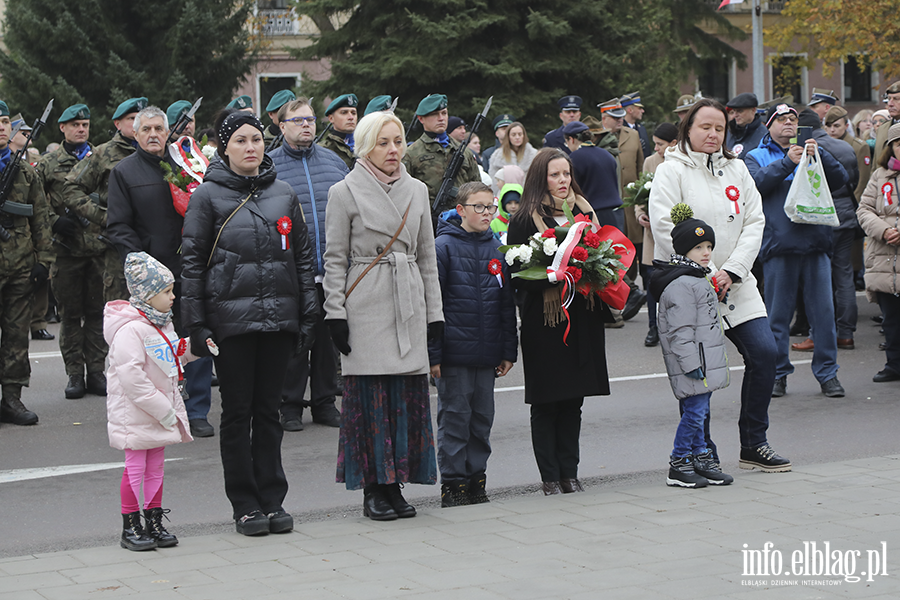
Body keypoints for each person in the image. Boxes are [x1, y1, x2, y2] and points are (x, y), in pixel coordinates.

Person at [181, 109, 319, 535]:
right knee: (238, 414)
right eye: (240, 140)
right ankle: (244, 503)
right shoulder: (208, 196)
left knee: (270, 412)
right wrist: (197, 326)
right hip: (232, 324)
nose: (250, 147)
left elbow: (302, 257)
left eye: (256, 139)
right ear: (224, 147)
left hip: (279, 320)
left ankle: (273, 498)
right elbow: (190, 264)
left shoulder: (283, 192)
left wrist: (308, 314)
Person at [650, 98, 790, 473]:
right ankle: (702, 451)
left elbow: (754, 222)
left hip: (736, 282)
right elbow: (666, 228)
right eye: (704, 127)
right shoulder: (671, 171)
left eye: (719, 129)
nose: (712, 135)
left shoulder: (736, 169)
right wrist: (707, 273)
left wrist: (732, 271)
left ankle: (753, 443)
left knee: (765, 354)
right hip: (691, 288)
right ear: (688, 129)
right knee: (699, 372)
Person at [323, 110, 443, 521]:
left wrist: (435, 315)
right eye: (383, 142)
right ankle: (374, 487)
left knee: (405, 399)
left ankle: (397, 483)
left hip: (406, 298)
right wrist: (334, 313)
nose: (393, 150)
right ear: (365, 146)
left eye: (397, 142)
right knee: (370, 400)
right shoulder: (344, 192)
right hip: (366, 303)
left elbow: (427, 257)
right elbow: (334, 259)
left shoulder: (418, 191)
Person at [106, 105, 216, 439]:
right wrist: (144, 265)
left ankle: (197, 409)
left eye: (159, 129)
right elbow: (118, 226)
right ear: (135, 134)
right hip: (152, 276)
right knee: (154, 345)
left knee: (193, 333)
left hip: (191, 267)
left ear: (168, 132)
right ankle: (160, 406)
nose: (154, 135)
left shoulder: (186, 165)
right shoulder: (124, 172)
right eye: (146, 130)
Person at [507, 148, 609, 495]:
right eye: (555, 175)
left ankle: (571, 472)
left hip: (582, 316)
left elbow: (604, 255)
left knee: (574, 400)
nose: (563, 181)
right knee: (547, 401)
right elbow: (517, 274)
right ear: (540, 178)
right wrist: (550, 276)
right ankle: (550, 477)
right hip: (546, 321)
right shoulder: (524, 219)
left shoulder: (584, 210)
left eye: (566, 174)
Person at [745, 102, 849, 399]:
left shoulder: (813, 150)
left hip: (816, 244)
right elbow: (753, 186)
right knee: (777, 318)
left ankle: (828, 374)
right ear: (769, 126)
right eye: (782, 120)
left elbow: (841, 179)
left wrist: (821, 155)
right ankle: (778, 375)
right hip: (779, 247)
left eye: (793, 119)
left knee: (824, 316)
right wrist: (788, 163)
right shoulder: (756, 156)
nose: (789, 124)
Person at [105, 252, 202, 551]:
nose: (173, 297)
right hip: (137, 413)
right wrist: (165, 411)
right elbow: (132, 379)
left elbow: (173, 357)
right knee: (135, 467)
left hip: (160, 412)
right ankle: (130, 525)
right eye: (167, 291)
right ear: (147, 295)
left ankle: (154, 519)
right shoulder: (129, 331)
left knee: (156, 467)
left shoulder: (163, 324)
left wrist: (196, 349)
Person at [429, 182, 517, 507]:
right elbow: (433, 305)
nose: (486, 213)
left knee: (481, 420)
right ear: (461, 210)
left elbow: (506, 305)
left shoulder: (497, 249)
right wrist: (433, 355)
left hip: (487, 354)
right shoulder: (444, 247)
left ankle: (476, 478)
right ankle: (453, 484)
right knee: (454, 418)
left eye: (490, 207)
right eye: (478, 207)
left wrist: (508, 351)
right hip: (454, 355)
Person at [270, 97, 349, 431]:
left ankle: (324, 402)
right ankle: (289, 406)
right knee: (294, 341)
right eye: (298, 120)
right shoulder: (269, 164)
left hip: (331, 268)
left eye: (310, 119)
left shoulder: (334, 163)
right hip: (291, 269)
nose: (306, 125)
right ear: (282, 125)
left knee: (327, 340)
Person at [651, 205, 732, 488]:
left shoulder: (696, 278)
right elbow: (680, 331)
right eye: (699, 247)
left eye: (709, 245)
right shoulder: (683, 284)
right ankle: (679, 461)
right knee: (695, 413)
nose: (706, 252)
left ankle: (700, 457)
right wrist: (691, 364)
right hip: (694, 363)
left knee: (699, 412)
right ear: (684, 251)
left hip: (702, 360)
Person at [37, 103, 108, 399]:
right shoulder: (48, 163)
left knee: (97, 314)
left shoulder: (100, 159)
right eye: (75, 124)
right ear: (63, 128)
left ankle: (96, 371)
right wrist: (55, 222)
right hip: (66, 252)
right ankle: (74, 374)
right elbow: (36, 205)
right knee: (69, 315)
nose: (82, 129)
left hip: (98, 249)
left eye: (85, 124)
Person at [786, 108, 859, 353]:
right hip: (845, 214)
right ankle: (846, 333)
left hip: (820, 217)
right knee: (844, 275)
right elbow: (853, 180)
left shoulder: (808, 148)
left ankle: (818, 335)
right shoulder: (845, 146)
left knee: (821, 280)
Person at [0, 99, 54, 426]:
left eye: (5, 121)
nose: (1, 127)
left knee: (17, 336)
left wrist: (43, 262)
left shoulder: (23, 171)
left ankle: (11, 399)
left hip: (19, 267)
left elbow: (42, 219)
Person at [62, 96, 146, 303]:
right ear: (117, 124)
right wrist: (105, 217)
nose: (138, 124)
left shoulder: (157, 151)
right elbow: (71, 189)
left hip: (154, 242)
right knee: (120, 311)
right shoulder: (103, 153)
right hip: (118, 247)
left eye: (141, 119)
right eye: (132, 118)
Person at [857, 123, 900, 383]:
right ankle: (894, 365)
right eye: (898, 143)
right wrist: (884, 231)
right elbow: (864, 210)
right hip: (884, 259)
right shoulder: (879, 175)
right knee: (891, 320)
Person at [600, 97, 647, 322]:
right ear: (604, 118)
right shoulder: (596, 139)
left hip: (630, 202)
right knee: (615, 250)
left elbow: (640, 168)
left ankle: (631, 294)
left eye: (621, 117)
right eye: (615, 118)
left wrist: (642, 198)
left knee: (633, 249)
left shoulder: (634, 135)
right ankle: (626, 297)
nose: (620, 121)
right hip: (609, 202)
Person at [637, 122, 679, 347]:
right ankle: (653, 327)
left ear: (674, 143)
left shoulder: (684, 162)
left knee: (674, 283)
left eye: (660, 145)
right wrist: (640, 215)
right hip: (652, 233)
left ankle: (672, 328)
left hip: (677, 233)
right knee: (652, 281)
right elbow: (640, 194)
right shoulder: (650, 162)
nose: (656, 149)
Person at [403, 94, 481, 214]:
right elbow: (405, 193)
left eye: (444, 113)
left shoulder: (463, 151)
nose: (441, 118)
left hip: (463, 220)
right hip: (428, 219)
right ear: (421, 119)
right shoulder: (411, 153)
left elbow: (477, 188)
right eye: (434, 114)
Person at [488, 121, 537, 193]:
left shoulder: (534, 154)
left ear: (524, 136)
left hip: (529, 195)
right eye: (513, 135)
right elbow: (494, 181)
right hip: (506, 196)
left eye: (520, 134)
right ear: (508, 137)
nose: (517, 137)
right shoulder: (497, 156)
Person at [319, 93, 358, 170]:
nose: (351, 117)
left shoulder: (366, 146)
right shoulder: (322, 150)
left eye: (353, 113)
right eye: (344, 113)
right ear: (331, 118)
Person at [725, 93, 765, 160]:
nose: (735, 115)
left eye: (740, 111)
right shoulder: (729, 132)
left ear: (753, 110)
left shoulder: (763, 136)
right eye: (734, 111)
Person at [873, 82, 900, 166]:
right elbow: (875, 166)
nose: (890, 104)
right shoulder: (882, 129)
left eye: (896, 99)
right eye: (889, 99)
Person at [621, 92, 652, 160]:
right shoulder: (620, 129)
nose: (643, 111)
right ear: (630, 110)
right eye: (639, 108)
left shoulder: (641, 129)